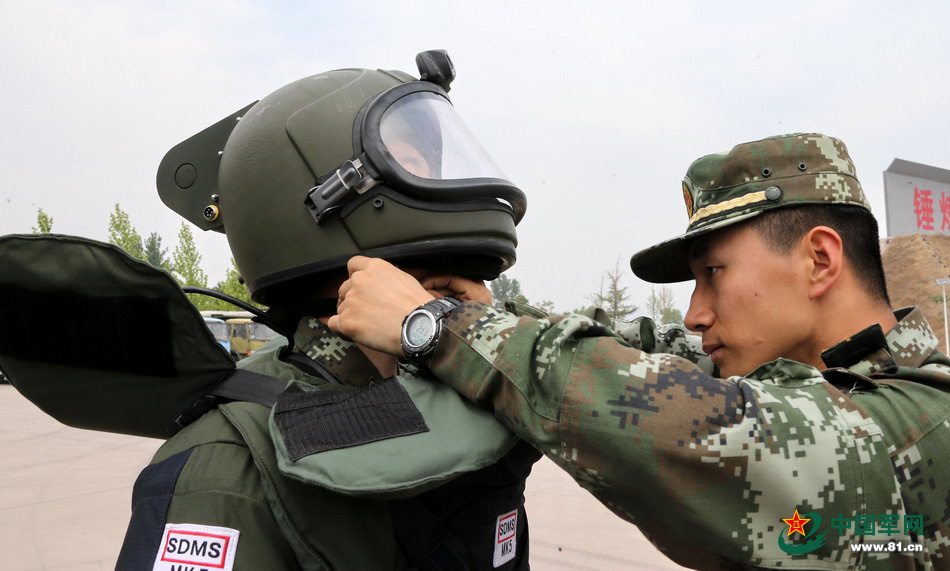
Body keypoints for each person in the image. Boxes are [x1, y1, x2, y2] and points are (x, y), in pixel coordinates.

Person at [329, 133, 950, 569]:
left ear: (819, 260)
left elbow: (679, 422)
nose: (695, 313)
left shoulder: (924, 423)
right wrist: (495, 316)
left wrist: (436, 326)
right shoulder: (809, 376)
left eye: (714, 273)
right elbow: (642, 351)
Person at [115, 50, 541, 570]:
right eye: (410, 168)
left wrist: (469, 336)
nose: (445, 191)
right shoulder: (226, 465)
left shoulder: (462, 403)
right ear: (322, 202)